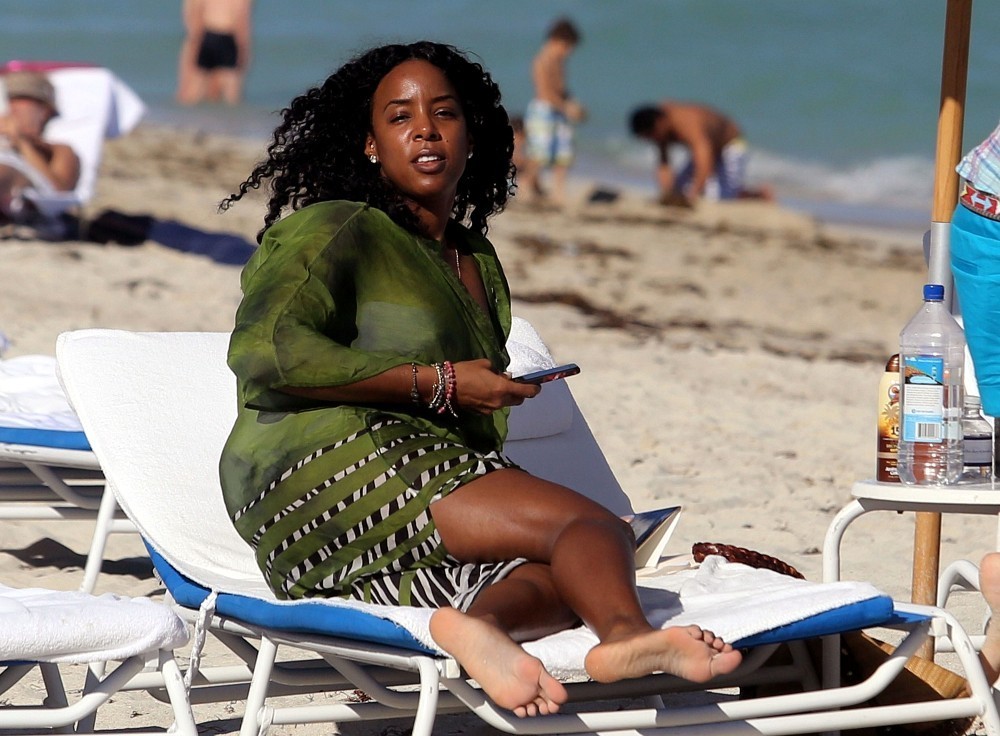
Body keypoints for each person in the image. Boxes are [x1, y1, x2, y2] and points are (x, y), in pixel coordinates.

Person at [218, 41, 742, 718]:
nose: (425, 130)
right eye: (400, 117)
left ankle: (480, 630)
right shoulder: (339, 226)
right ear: (370, 145)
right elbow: (267, 351)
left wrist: (485, 391)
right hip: (315, 467)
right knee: (591, 526)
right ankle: (627, 639)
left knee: (564, 575)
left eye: (444, 113)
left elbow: (458, 408)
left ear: (474, 135)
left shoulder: (474, 259)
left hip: (391, 510)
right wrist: (440, 383)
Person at [629, 100, 772, 206]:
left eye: (650, 135)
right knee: (679, 189)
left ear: (659, 122)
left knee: (722, 198)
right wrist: (667, 194)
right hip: (708, 148)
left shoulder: (686, 122)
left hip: (732, 144)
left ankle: (759, 194)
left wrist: (694, 194)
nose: (651, 140)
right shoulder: (660, 132)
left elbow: (703, 159)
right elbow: (664, 164)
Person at [519, 18, 586, 208]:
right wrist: (566, 107)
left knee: (564, 153)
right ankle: (525, 185)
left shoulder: (560, 62)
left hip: (560, 111)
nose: (568, 52)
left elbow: (561, 90)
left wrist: (573, 104)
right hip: (543, 111)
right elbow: (544, 92)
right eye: (567, 47)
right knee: (539, 153)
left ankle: (559, 192)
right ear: (556, 40)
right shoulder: (542, 60)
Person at [0, 70, 80, 223]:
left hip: (22, 182)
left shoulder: (59, 149)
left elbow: (58, 192)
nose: (11, 105)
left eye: (20, 98)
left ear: (44, 111)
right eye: (8, 98)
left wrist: (21, 142)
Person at [176, 0, 253, 106]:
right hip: (228, 37)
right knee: (232, 92)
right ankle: (230, 115)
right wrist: (244, 50)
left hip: (208, 36)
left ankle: (185, 114)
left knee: (196, 89)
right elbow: (242, 21)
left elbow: (196, 16)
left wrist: (195, 44)